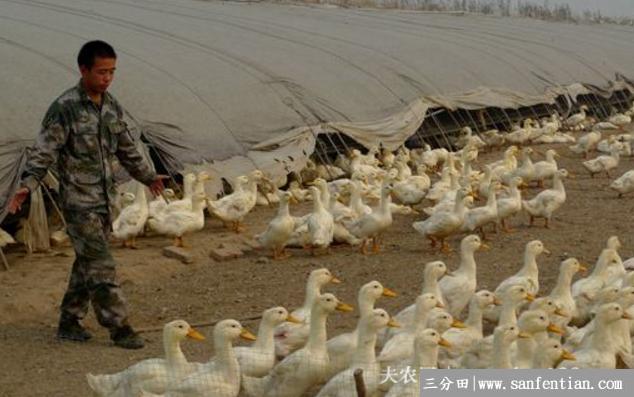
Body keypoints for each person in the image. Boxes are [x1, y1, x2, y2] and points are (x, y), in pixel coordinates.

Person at [7, 40, 168, 349]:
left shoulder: (111, 105)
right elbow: (43, 152)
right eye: (101, 72)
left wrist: (148, 176)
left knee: (88, 262)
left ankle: (69, 321)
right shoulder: (64, 108)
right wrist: (28, 184)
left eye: (112, 72)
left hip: (106, 200)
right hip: (78, 202)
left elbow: (126, 148)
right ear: (83, 70)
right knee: (102, 264)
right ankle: (119, 327)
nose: (107, 78)